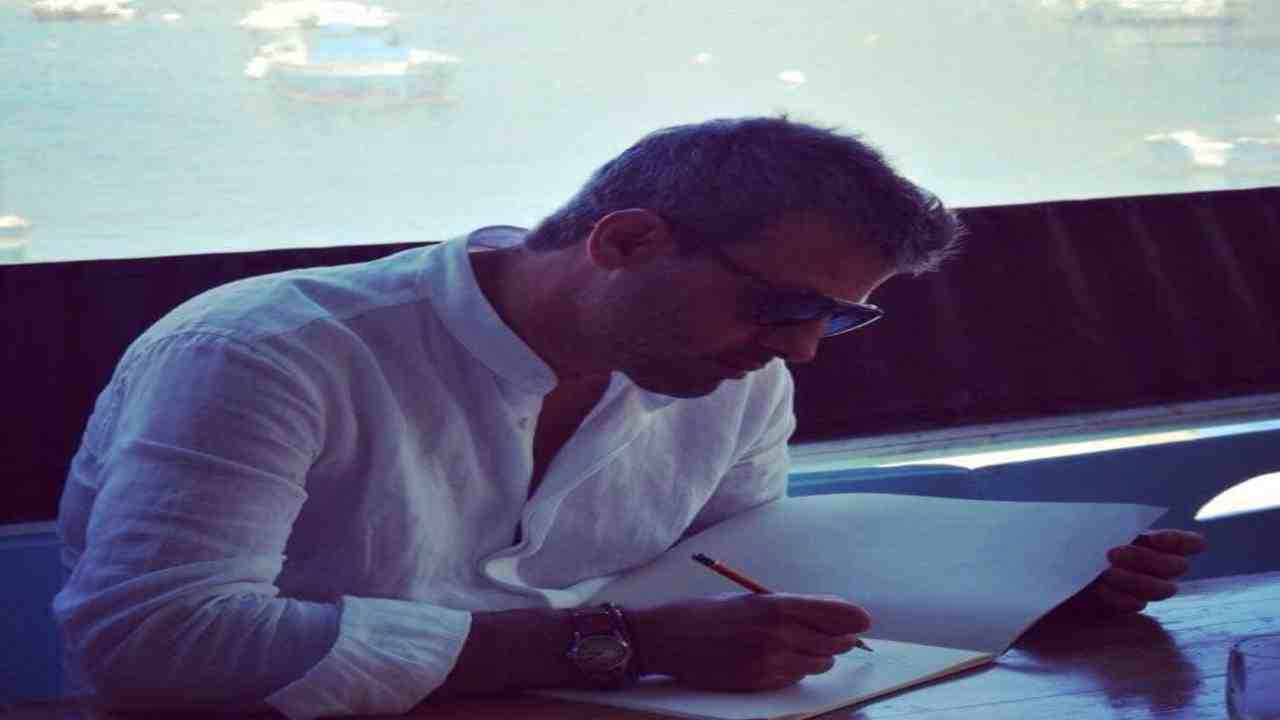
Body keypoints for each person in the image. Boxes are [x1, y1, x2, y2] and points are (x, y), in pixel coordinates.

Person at [52, 116, 1205, 717]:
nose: (800, 350)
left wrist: (1031, 595)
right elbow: (154, 644)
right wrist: (624, 648)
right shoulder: (266, 351)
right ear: (625, 241)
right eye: (782, 306)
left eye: (837, 319)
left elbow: (731, 583)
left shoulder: (737, 378)